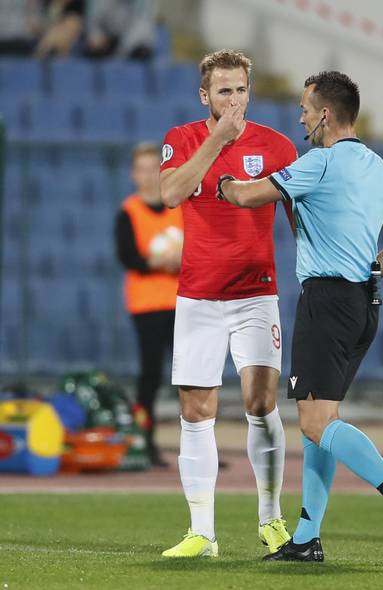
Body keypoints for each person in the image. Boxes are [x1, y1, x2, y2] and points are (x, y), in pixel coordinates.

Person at [217, 70, 383, 564]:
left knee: (315, 423)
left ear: (326, 114)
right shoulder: (381, 168)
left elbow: (249, 196)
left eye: (305, 108)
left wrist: (222, 179)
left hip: (326, 302)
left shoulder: (320, 162)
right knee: (321, 418)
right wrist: (369, 269)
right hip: (363, 302)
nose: (301, 117)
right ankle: (308, 537)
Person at [158, 49, 297, 558]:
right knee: (196, 411)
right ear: (205, 95)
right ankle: (202, 533)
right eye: (224, 91)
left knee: (261, 404)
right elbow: (171, 193)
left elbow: (298, 219)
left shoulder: (278, 146)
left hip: (256, 294)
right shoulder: (182, 139)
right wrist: (216, 141)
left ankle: (271, 519)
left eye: (240, 90)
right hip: (198, 296)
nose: (234, 100)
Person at [114, 141, 183, 468]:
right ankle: (146, 441)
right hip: (147, 305)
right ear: (132, 174)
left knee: (192, 376)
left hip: (183, 301)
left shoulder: (179, 206)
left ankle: (197, 446)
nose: (148, 176)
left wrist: (180, 260)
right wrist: (160, 260)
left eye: (153, 168)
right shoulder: (129, 211)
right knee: (151, 376)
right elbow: (128, 257)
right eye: (141, 169)